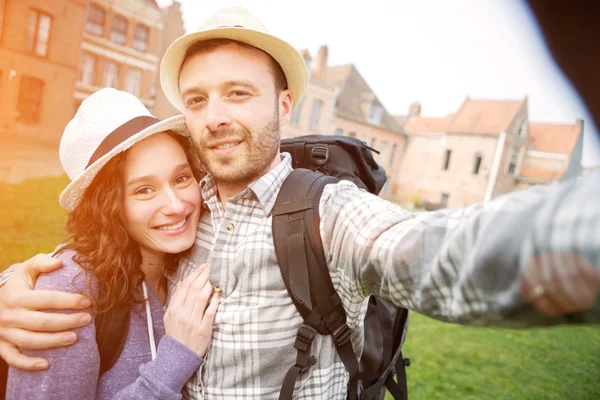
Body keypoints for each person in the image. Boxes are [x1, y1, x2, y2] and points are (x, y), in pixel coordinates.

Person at [1, 5, 599, 400]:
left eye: (238, 93)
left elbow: (438, 254)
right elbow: (103, 254)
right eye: (198, 99)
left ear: (284, 107)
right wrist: (11, 289)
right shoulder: (192, 208)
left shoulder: (327, 213)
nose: (217, 117)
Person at [4, 88, 220, 399]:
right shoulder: (68, 292)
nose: (176, 205)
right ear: (108, 207)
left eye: (181, 178)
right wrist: (176, 357)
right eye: (144, 190)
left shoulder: (196, 254)